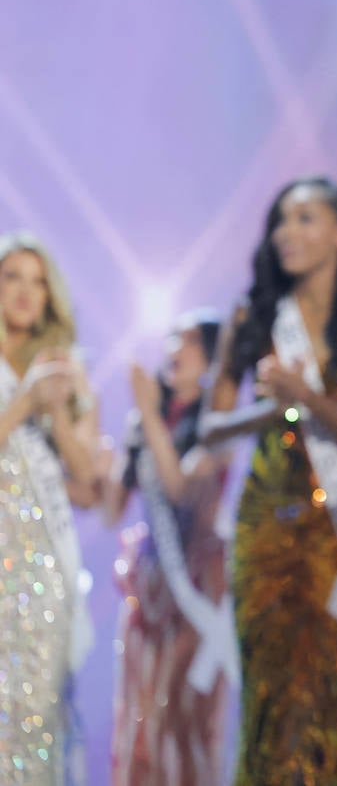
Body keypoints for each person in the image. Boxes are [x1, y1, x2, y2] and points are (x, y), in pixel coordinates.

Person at [201, 177, 337, 786]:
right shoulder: (255, 317)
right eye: (281, 221)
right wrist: (272, 410)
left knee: (334, 684)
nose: (286, 233)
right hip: (267, 524)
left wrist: (305, 397)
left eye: (304, 218)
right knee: (270, 688)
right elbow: (212, 427)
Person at [108, 311, 232, 786]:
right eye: (171, 340)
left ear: (210, 359)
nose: (175, 350)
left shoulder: (215, 426)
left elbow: (182, 489)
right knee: (139, 716)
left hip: (196, 592)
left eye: (190, 342)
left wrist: (148, 416)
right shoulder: (146, 422)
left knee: (181, 718)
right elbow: (108, 510)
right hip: (149, 590)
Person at [0, 231, 102, 783]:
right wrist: (23, 402)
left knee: (35, 715)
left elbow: (87, 481)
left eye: (37, 282)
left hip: (40, 567)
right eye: (12, 276)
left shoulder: (66, 366)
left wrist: (57, 409)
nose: (23, 291)